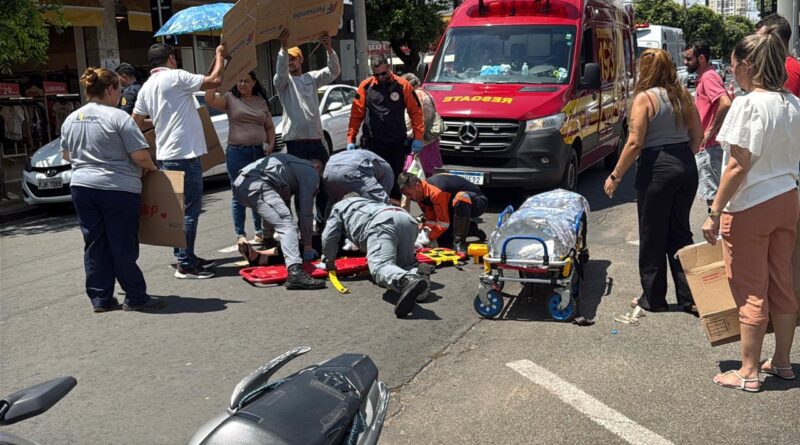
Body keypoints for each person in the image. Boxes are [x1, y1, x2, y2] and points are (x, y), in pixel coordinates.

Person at [702, 28, 800, 392]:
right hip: (787, 198)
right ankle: (784, 362)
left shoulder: (747, 104)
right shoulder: (793, 103)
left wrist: (714, 210)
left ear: (746, 65)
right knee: (783, 281)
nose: (731, 72)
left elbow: (738, 164)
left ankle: (748, 371)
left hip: (751, 205)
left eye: (732, 65)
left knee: (750, 288)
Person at [604, 48, 703, 313]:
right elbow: (698, 133)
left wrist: (616, 175)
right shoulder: (683, 95)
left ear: (644, 71)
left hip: (657, 167)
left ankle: (653, 298)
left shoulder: (644, 99)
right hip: (685, 164)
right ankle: (690, 297)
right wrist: (682, 157)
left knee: (652, 234)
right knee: (680, 232)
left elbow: (635, 142)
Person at [61, 67, 163, 313]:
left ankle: (101, 298)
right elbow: (140, 155)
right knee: (122, 243)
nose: (121, 95)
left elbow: (66, 154)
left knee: (95, 242)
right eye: (119, 89)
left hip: (82, 187)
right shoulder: (118, 117)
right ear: (109, 90)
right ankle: (135, 296)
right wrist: (151, 167)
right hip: (117, 188)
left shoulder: (72, 118)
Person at [132, 43, 226, 279]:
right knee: (189, 211)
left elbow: (136, 123)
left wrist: (161, 120)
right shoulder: (176, 77)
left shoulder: (147, 86)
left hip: (166, 154)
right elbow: (214, 81)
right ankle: (186, 262)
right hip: (184, 154)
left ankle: (184, 256)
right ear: (171, 58)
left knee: (178, 210)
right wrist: (219, 56)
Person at [320, 195, 432, 317]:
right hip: (408, 220)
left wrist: (329, 260)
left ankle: (406, 280)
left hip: (383, 223)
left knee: (380, 267)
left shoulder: (339, 206)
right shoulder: (370, 202)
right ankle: (416, 272)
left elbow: (329, 236)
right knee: (401, 265)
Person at [274, 30, 341, 230]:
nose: (291, 62)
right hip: (296, 143)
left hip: (315, 140)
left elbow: (334, 71)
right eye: (288, 59)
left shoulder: (311, 78)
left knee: (323, 183)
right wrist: (283, 48)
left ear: (301, 60)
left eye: (294, 58)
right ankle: (303, 226)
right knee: (300, 186)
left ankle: (323, 223)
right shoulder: (283, 83)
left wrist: (329, 48)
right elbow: (280, 72)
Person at [232, 153, 326, 290]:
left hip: (241, 184)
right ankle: (295, 274)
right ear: (317, 167)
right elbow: (306, 213)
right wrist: (307, 246)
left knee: (281, 219)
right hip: (257, 184)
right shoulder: (310, 171)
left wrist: (268, 237)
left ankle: (264, 252)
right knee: (288, 226)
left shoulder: (289, 167)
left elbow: (275, 208)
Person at [204, 71, 276, 244]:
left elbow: (269, 127)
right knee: (238, 193)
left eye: (246, 81)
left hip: (258, 153)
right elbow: (209, 98)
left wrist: (271, 144)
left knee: (258, 192)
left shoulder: (260, 101)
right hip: (237, 153)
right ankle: (240, 234)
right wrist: (216, 77)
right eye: (239, 80)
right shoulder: (230, 98)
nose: (242, 84)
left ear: (253, 83)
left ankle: (260, 232)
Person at [347, 55, 425, 201]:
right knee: (372, 183)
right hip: (373, 144)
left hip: (396, 144)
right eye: (376, 74)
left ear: (389, 67)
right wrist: (351, 138)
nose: (380, 77)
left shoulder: (402, 85)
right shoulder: (365, 86)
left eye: (383, 73)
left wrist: (418, 137)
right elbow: (356, 114)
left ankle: (393, 217)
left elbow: (416, 112)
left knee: (395, 183)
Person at [684, 40, 732, 208]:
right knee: (714, 194)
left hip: (709, 147)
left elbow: (725, 103)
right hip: (710, 145)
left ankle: (716, 231)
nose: (685, 62)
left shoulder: (708, 77)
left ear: (702, 58)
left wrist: (710, 130)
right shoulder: (706, 76)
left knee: (713, 196)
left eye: (689, 58)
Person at [397, 172, 488, 253]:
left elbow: (443, 223)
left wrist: (427, 238)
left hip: (477, 201)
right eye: (406, 195)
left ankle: (459, 244)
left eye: (409, 194)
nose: (408, 198)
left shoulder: (436, 192)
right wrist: (423, 233)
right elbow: (431, 219)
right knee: (443, 241)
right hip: (453, 206)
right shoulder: (420, 195)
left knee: (461, 197)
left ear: (417, 185)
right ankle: (470, 229)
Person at [322, 149, 394, 212]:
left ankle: (326, 226)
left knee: (334, 207)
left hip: (329, 168)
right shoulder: (388, 171)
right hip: (353, 168)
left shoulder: (374, 160)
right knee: (381, 206)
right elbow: (383, 200)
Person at [400, 73, 443, 177]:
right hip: (430, 141)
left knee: (415, 176)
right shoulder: (427, 93)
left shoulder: (415, 95)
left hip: (419, 142)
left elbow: (412, 120)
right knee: (427, 175)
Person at [756, 13, 800, 96]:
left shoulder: (785, 70)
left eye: (762, 40)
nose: (756, 44)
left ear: (777, 40)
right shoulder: (785, 67)